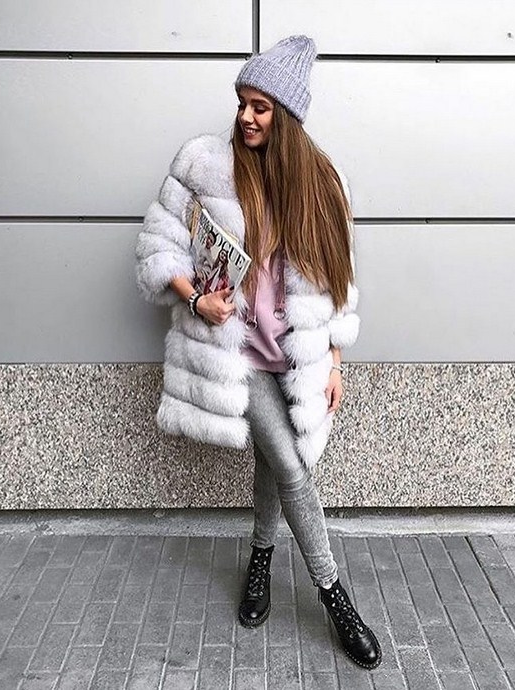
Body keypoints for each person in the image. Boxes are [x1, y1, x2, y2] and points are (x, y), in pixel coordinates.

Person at [135, 35, 381, 670]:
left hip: (295, 357)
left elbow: (338, 278)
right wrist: (196, 300)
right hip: (237, 352)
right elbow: (158, 244)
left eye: (261, 106)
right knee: (293, 467)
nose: (245, 116)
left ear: (287, 116)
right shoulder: (205, 165)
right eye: (242, 102)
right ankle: (335, 597)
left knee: (273, 466)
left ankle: (260, 561)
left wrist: (334, 359)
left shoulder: (323, 182)